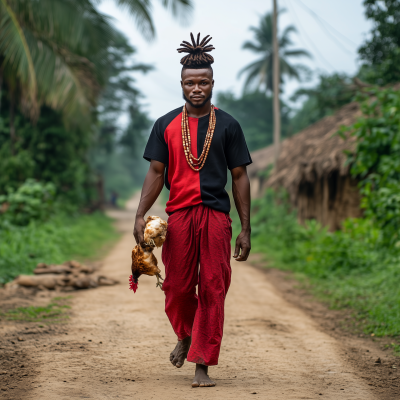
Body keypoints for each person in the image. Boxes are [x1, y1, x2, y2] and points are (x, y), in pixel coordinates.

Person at [133, 33, 252, 388]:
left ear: (212, 83)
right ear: (181, 84)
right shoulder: (165, 124)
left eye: (203, 82)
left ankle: (202, 362)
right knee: (178, 288)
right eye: (190, 82)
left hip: (216, 217)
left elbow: (240, 176)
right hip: (181, 217)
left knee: (214, 288)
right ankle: (185, 335)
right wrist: (140, 214)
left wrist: (246, 228)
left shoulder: (228, 124)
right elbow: (155, 172)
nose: (196, 88)